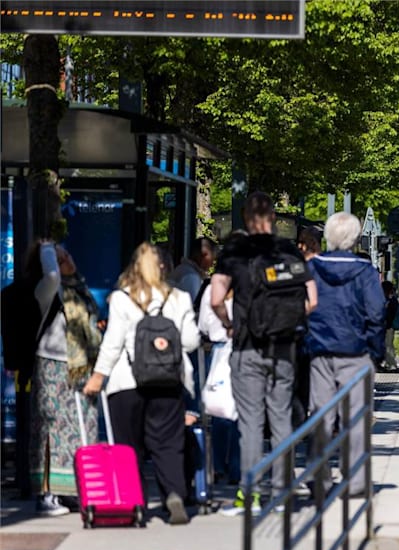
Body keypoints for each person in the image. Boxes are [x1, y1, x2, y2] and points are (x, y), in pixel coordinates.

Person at [209, 192, 317, 513]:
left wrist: (230, 324)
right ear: (273, 217)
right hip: (284, 348)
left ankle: (250, 494)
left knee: (251, 423)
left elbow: (216, 298)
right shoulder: (288, 250)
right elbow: (312, 301)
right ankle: (284, 494)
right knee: (282, 418)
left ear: (246, 217)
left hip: (248, 346)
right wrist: (286, 322)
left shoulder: (235, 251)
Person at [82, 242, 201, 525]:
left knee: (128, 446)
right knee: (168, 443)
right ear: (163, 267)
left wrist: (98, 376)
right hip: (168, 382)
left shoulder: (122, 299)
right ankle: (173, 494)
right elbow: (190, 340)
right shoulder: (180, 297)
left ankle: (134, 501)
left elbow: (112, 343)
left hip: (127, 383)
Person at [306, 212, 385, 497]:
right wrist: (376, 350)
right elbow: (376, 312)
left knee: (321, 416)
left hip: (320, 351)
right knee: (356, 418)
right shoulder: (364, 271)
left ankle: (320, 477)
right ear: (354, 238)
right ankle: (356, 481)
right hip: (355, 351)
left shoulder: (312, 267)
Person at [30, 240, 103, 516]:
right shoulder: (47, 290)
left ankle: (72, 489)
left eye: (68, 255)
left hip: (81, 365)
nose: (67, 261)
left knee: (80, 428)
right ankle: (47, 493)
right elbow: (51, 275)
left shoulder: (79, 289)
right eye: (62, 259)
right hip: (52, 364)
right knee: (51, 430)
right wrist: (48, 249)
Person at [198, 231, 245, 485]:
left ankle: (216, 465)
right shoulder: (251, 281)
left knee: (218, 410)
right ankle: (237, 468)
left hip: (218, 350)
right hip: (244, 349)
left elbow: (204, 322)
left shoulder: (212, 287)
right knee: (241, 411)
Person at [293, 226, 323, 429]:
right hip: (322, 332)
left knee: (299, 381)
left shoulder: (298, 268)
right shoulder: (326, 267)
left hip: (301, 331)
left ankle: (300, 421)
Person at [169, 237, 216, 303]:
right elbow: (192, 307)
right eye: (213, 258)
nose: (212, 263)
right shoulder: (191, 276)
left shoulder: (182, 269)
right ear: (204, 255)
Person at [381, 281, 399, 371]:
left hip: (387, 327)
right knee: (388, 345)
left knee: (388, 346)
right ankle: (389, 364)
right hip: (388, 326)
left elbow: (387, 315)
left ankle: (391, 365)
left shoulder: (389, 301)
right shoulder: (392, 300)